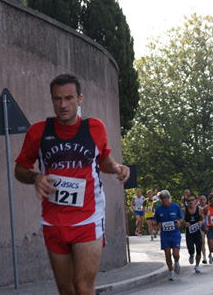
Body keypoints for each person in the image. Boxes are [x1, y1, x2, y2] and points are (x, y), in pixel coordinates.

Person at [14, 73, 129, 295]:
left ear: (80, 99)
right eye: (57, 99)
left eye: (69, 98)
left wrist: (115, 167)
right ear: (52, 100)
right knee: (65, 289)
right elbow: (19, 169)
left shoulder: (96, 128)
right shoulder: (37, 132)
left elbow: (102, 158)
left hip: (88, 216)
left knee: (83, 287)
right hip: (53, 220)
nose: (63, 104)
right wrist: (35, 177)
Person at [153, 190, 183, 281]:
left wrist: (179, 221)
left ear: (169, 198)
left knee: (175, 254)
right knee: (167, 254)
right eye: (162, 198)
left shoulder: (176, 206)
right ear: (160, 199)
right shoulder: (158, 209)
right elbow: (156, 221)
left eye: (166, 198)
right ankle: (171, 272)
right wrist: (154, 223)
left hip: (175, 234)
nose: (164, 200)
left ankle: (176, 262)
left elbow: (181, 217)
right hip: (165, 235)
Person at [182, 194, 203, 273]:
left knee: (199, 250)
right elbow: (180, 219)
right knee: (191, 249)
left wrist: (201, 222)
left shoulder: (199, 209)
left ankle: (197, 265)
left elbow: (203, 218)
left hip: (197, 232)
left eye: (192, 200)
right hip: (189, 233)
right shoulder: (184, 210)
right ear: (187, 202)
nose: (191, 202)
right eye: (189, 200)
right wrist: (185, 223)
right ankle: (191, 254)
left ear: (195, 201)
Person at [198, 195, 208, 264]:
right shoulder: (197, 208)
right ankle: (204, 257)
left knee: (211, 243)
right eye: (201, 199)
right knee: (202, 241)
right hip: (202, 227)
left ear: (206, 200)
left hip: (210, 226)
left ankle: (211, 253)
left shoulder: (209, 207)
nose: (202, 201)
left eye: (203, 199)